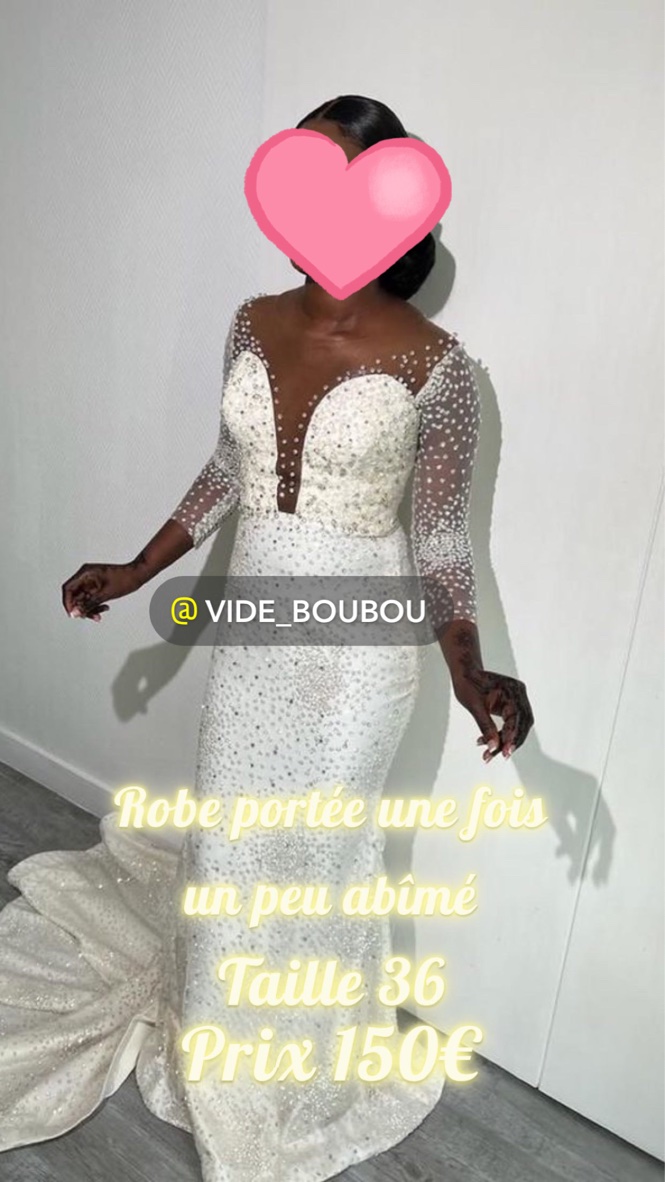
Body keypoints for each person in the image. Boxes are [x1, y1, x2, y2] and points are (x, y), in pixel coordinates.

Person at [0, 95, 533, 1182]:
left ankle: (295, 1060)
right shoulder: (251, 322)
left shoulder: (441, 369)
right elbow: (225, 470)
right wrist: (136, 568)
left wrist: (470, 670)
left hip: (358, 654)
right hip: (256, 630)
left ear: (392, 198)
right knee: (236, 843)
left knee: (316, 855)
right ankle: (214, 1040)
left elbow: (439, 540)